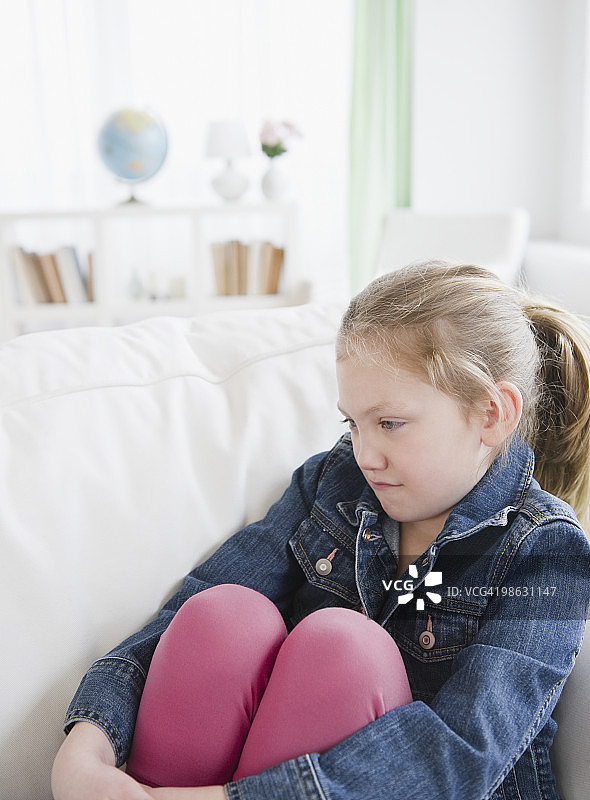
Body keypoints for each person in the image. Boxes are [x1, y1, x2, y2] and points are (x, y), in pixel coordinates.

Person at [52, 262, 590, 800]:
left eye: (390, 423)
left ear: (492, 414)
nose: (365, 453)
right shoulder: (334, 483)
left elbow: (461, 754)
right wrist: (90, 739)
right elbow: (191, 605)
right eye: (351, 423)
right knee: (224, 615)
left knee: (343, 647)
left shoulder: (547, 551)